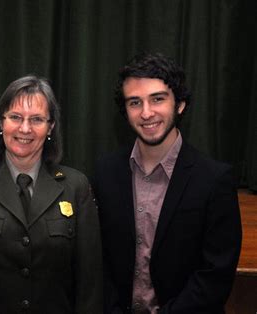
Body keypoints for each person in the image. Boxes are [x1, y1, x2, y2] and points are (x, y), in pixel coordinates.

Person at [0, 75, 103, 314]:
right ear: (1, 123)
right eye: (15, 117)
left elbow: (90, 283)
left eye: (36, 119)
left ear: (50, 127)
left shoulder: (75, 187)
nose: (25, 128)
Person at [92, 52, 242, 313]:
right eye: (135, 102)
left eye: (158, 99)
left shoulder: (214, 179)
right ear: (125, 112)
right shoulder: (105, 173)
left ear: (180, 104)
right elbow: (97, 261)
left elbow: (215, 275)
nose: (146, 112)